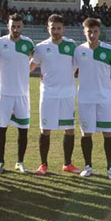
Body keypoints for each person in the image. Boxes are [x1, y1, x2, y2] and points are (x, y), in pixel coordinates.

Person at [73, 18, 111, 180]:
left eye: (95, 31)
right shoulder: (78, 51)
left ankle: (110, 168)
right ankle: (88, 166)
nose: (92, 35)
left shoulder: (109, 50)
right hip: (85, 99)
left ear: (99, 32)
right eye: (89, 31)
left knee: (108, 133)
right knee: (86, 133)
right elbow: (69, 72)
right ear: (84, 32)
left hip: (104, 100)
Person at [30, 14, 80, 175]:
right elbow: (30, 67)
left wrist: (66, 77)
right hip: (48, 94)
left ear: (63, 29)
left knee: (70, 129)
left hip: (67, 94)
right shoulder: (41, 47)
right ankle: (43, 164)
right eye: (53, 28)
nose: (56, 31)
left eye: (58, 28)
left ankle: (68, 164)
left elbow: (76, 66)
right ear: (48, 28)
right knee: (45, 129)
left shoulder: (72, 45)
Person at [0, 13, 34, 174]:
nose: (15, 29)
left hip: (22, 93)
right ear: (7, 26)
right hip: (3, 93)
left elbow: (35, 59)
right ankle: (0, 162)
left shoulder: (28, 43)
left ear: (22, 27)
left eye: (18, 26)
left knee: (23, 129)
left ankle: (20, 162)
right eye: (13, 26)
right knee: (1, 129)